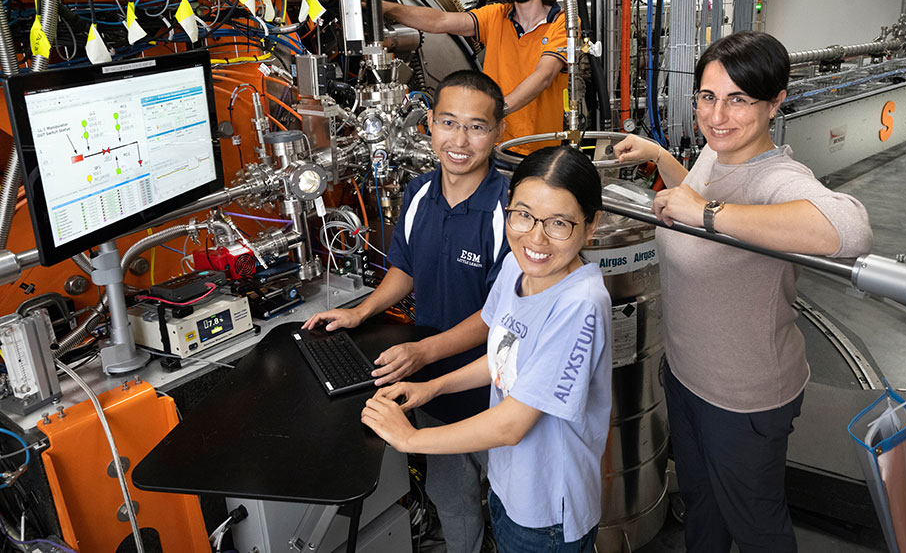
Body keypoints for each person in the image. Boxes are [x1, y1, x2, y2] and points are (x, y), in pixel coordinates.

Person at [614, 31, 874, 553]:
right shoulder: (718, 154)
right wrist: (662, 158)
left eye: (739, 99)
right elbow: (699, 188)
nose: (718, 116)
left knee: (756, 526)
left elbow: (850, 229)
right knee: (702, 504)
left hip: (742, 398)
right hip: (688, 377)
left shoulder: (775, 177)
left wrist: (704, 214)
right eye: (708, 97)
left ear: (776, 101)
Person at [361, 146, 612, 553]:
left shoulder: (579, 305)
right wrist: (434, 388)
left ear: (591, 224)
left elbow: (511, 426)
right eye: (523, 215)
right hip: (507, 483)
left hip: (546, 509)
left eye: (559, 223)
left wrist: (410, 440)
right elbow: (503, 355)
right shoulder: (519, 265)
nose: (536, 238)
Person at [303, 69, 510, 553]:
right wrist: (363, 311)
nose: (459, 140)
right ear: (430, 126)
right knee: (452, 498)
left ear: (498, 132)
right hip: (429, 392)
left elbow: (500, 316)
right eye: (447, 122)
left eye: (476, 127)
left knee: (509, 502)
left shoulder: (508, 210)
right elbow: (407, 268)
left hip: (492, 391)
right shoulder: (419, 193)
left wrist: (421, 352)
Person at [381, 0, 568, 145]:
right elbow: (439, 21)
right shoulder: (495, 15)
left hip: (539, 147)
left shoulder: (562, 22)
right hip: (494, 144)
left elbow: (543, 76)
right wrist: (386, 8)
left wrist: (496, 110)